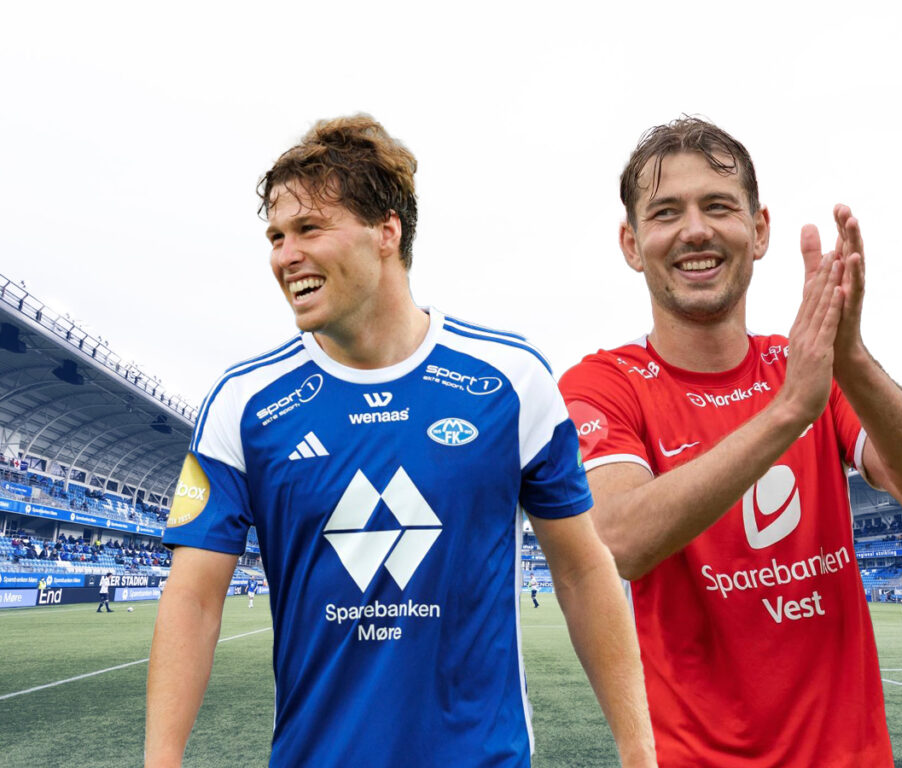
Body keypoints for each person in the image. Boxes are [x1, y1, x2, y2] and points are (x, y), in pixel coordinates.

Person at [146, 115, 655, 768]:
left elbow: (583, 571)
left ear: (387, 231)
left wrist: (639, 750)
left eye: (309, 229)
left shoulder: (511, 381)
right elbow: (192, 599)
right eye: (276, 236)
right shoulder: (243, 403)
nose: (284, 255)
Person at [559, 116, 902, 767]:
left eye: (719, 206)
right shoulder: (605, 383)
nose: (695, 229)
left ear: (760, 231)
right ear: (632, 244)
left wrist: (852, 360)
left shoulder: (812, 367)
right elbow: (616, 544)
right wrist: (787, 414)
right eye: (666, 212)